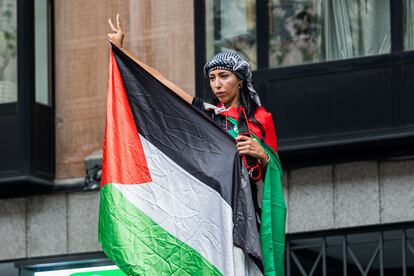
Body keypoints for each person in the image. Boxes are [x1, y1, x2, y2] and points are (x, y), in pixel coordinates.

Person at [108, 15, 285, 275]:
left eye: (224, 76)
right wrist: (122, 52)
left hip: (247, 213)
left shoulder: (261, 119)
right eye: (213, 78)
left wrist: (264, 156)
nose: (217, 84)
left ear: (240, 79)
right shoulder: (208, 116)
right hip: (213, 210)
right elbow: (164, 85)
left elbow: (275, 172)